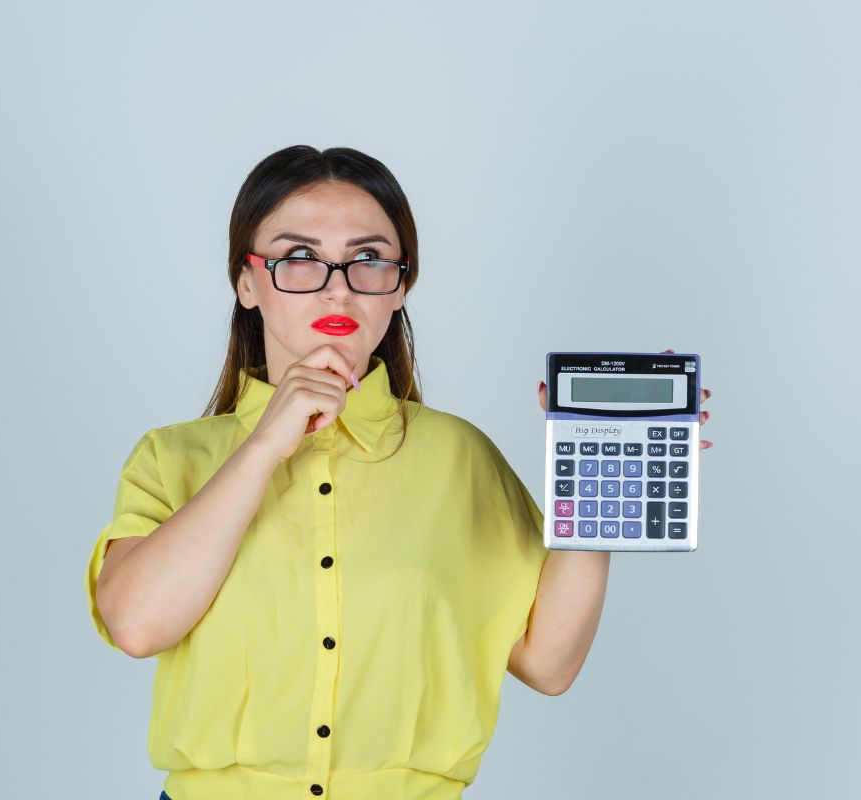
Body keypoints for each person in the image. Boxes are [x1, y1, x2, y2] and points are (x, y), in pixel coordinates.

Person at [83, 144, 713, 800]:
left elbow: (548, 664)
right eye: (299, 258)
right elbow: (137, 624)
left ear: (401, 284)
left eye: (368, 259)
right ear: (247, 282)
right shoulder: (172, 458)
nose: (337, 285)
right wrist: (265, 444)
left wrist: (598, 481)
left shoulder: (460, 458)